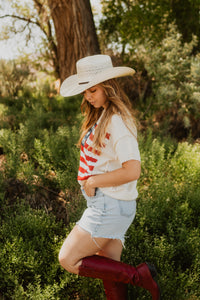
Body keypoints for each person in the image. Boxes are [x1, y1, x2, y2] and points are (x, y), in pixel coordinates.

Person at [59, 54, 160, 300]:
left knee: (68, 259)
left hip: (109, 206)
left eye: (92, 90)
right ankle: (136, 277)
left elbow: (132, 170)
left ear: (108, 86)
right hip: (111, 204)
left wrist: (92, 181)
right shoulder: (104, 115)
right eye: (85, 92)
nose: (88, 96)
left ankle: (140, 275)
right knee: (109, 269)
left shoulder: (117, 122)